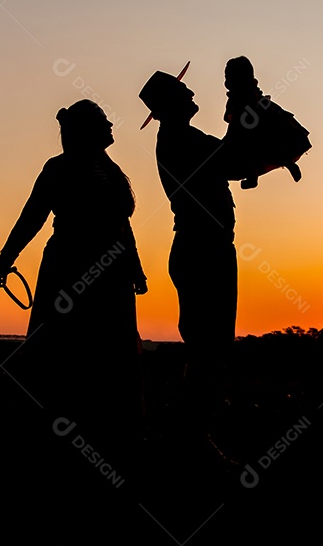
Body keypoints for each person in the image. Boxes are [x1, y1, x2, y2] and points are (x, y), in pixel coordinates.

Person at [0, 100, 147, 448]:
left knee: (108, 348)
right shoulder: (58, 169)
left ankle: (108, 427)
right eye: (104, 121)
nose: (111, 126)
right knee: (66, 347)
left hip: (112, 272)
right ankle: (59, 426)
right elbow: (32, 217)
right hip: (70, 266)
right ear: (89, 129)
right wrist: (6, 258)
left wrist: (134, 267)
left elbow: (122, 224)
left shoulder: (110, 169)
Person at [139, 71, 250, 450]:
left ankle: (193, 440)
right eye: (183, 91)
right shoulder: (180, 139)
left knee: (207, 350)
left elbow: (235, 161)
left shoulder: (182, 137)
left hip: (202, 247)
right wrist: (241, 110)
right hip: (203, 249)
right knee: (208, 351)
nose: (191, 92)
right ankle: (193, 443)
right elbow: (234, 160)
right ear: (170, 104)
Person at [223, 55, 311, 189]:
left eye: (228, 75)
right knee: (270, 146)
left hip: (250, 124)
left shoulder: (243, 94)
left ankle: (253, 177)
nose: (226, 79)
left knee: (248, 150)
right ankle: (287, 163)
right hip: (261, 120)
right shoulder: (246, 92)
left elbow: (240, 110)